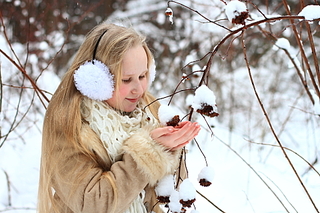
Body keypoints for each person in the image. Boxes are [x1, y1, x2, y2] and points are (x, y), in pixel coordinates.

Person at [37, 22, 200, 213]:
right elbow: (94, 204)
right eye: (126, 79)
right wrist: (149, 153)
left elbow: (169, 195)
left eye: (143, 75)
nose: (139, 89)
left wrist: (172, 150)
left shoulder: (149, 110)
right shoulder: (69, 124)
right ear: (97, 79)